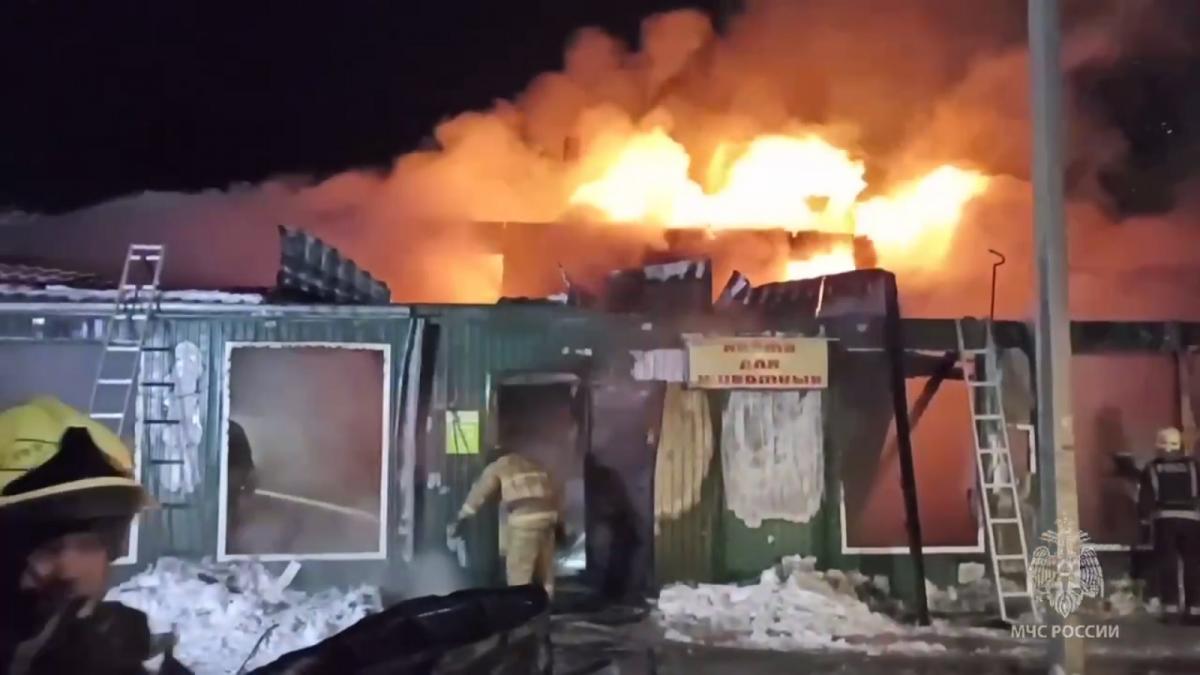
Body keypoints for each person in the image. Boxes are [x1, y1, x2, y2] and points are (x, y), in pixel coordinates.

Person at [0, 426, 186, 674]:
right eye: (49, 548)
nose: (70, 570)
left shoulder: (107, 638)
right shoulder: (24, 640)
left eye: (90, 545)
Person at [450, 448, 562, 598]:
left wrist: (461, 518)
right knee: (545, 571)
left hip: (525, 520)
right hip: (549, 518)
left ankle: (521, 606)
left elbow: (479, 494)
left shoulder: (499, 466)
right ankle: (547, 602)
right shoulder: (532, 464)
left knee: (519, 571)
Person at [1138, 426, 1200, 623]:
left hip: (1164, 519)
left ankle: (1171, 609)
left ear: (1158, 445)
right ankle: (1195, 609)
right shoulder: (1193, 466)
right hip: (1192, 520)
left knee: (1167, 562)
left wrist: (1144, 522)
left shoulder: (1152, 467)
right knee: (1193, 563)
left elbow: (1145, 498)